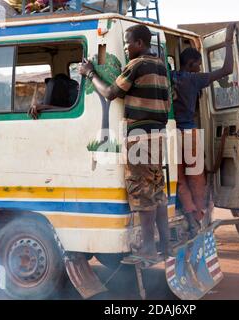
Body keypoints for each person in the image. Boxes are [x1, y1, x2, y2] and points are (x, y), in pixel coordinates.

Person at [78, 24, 172, 263]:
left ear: (140, 43)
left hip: (139, 135)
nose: (127, 48)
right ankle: (165, 244)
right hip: (158, 135)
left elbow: (110, 93)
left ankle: (148, 248)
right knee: (157, 189)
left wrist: (90, 73)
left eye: (129, 43)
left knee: (141, 190)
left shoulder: (137, 65)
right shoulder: (160, 65)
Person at [172, 23, 236, 238]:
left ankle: (190, 218)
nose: (200, 68)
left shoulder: (170, 76)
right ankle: (199, 218)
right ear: (191, 64)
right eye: (198, 64)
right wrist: (228, 42)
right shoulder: (194, 79)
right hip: (189, 133)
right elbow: (227, 70)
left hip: (172, 134)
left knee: (180, 180)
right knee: (197, 178)